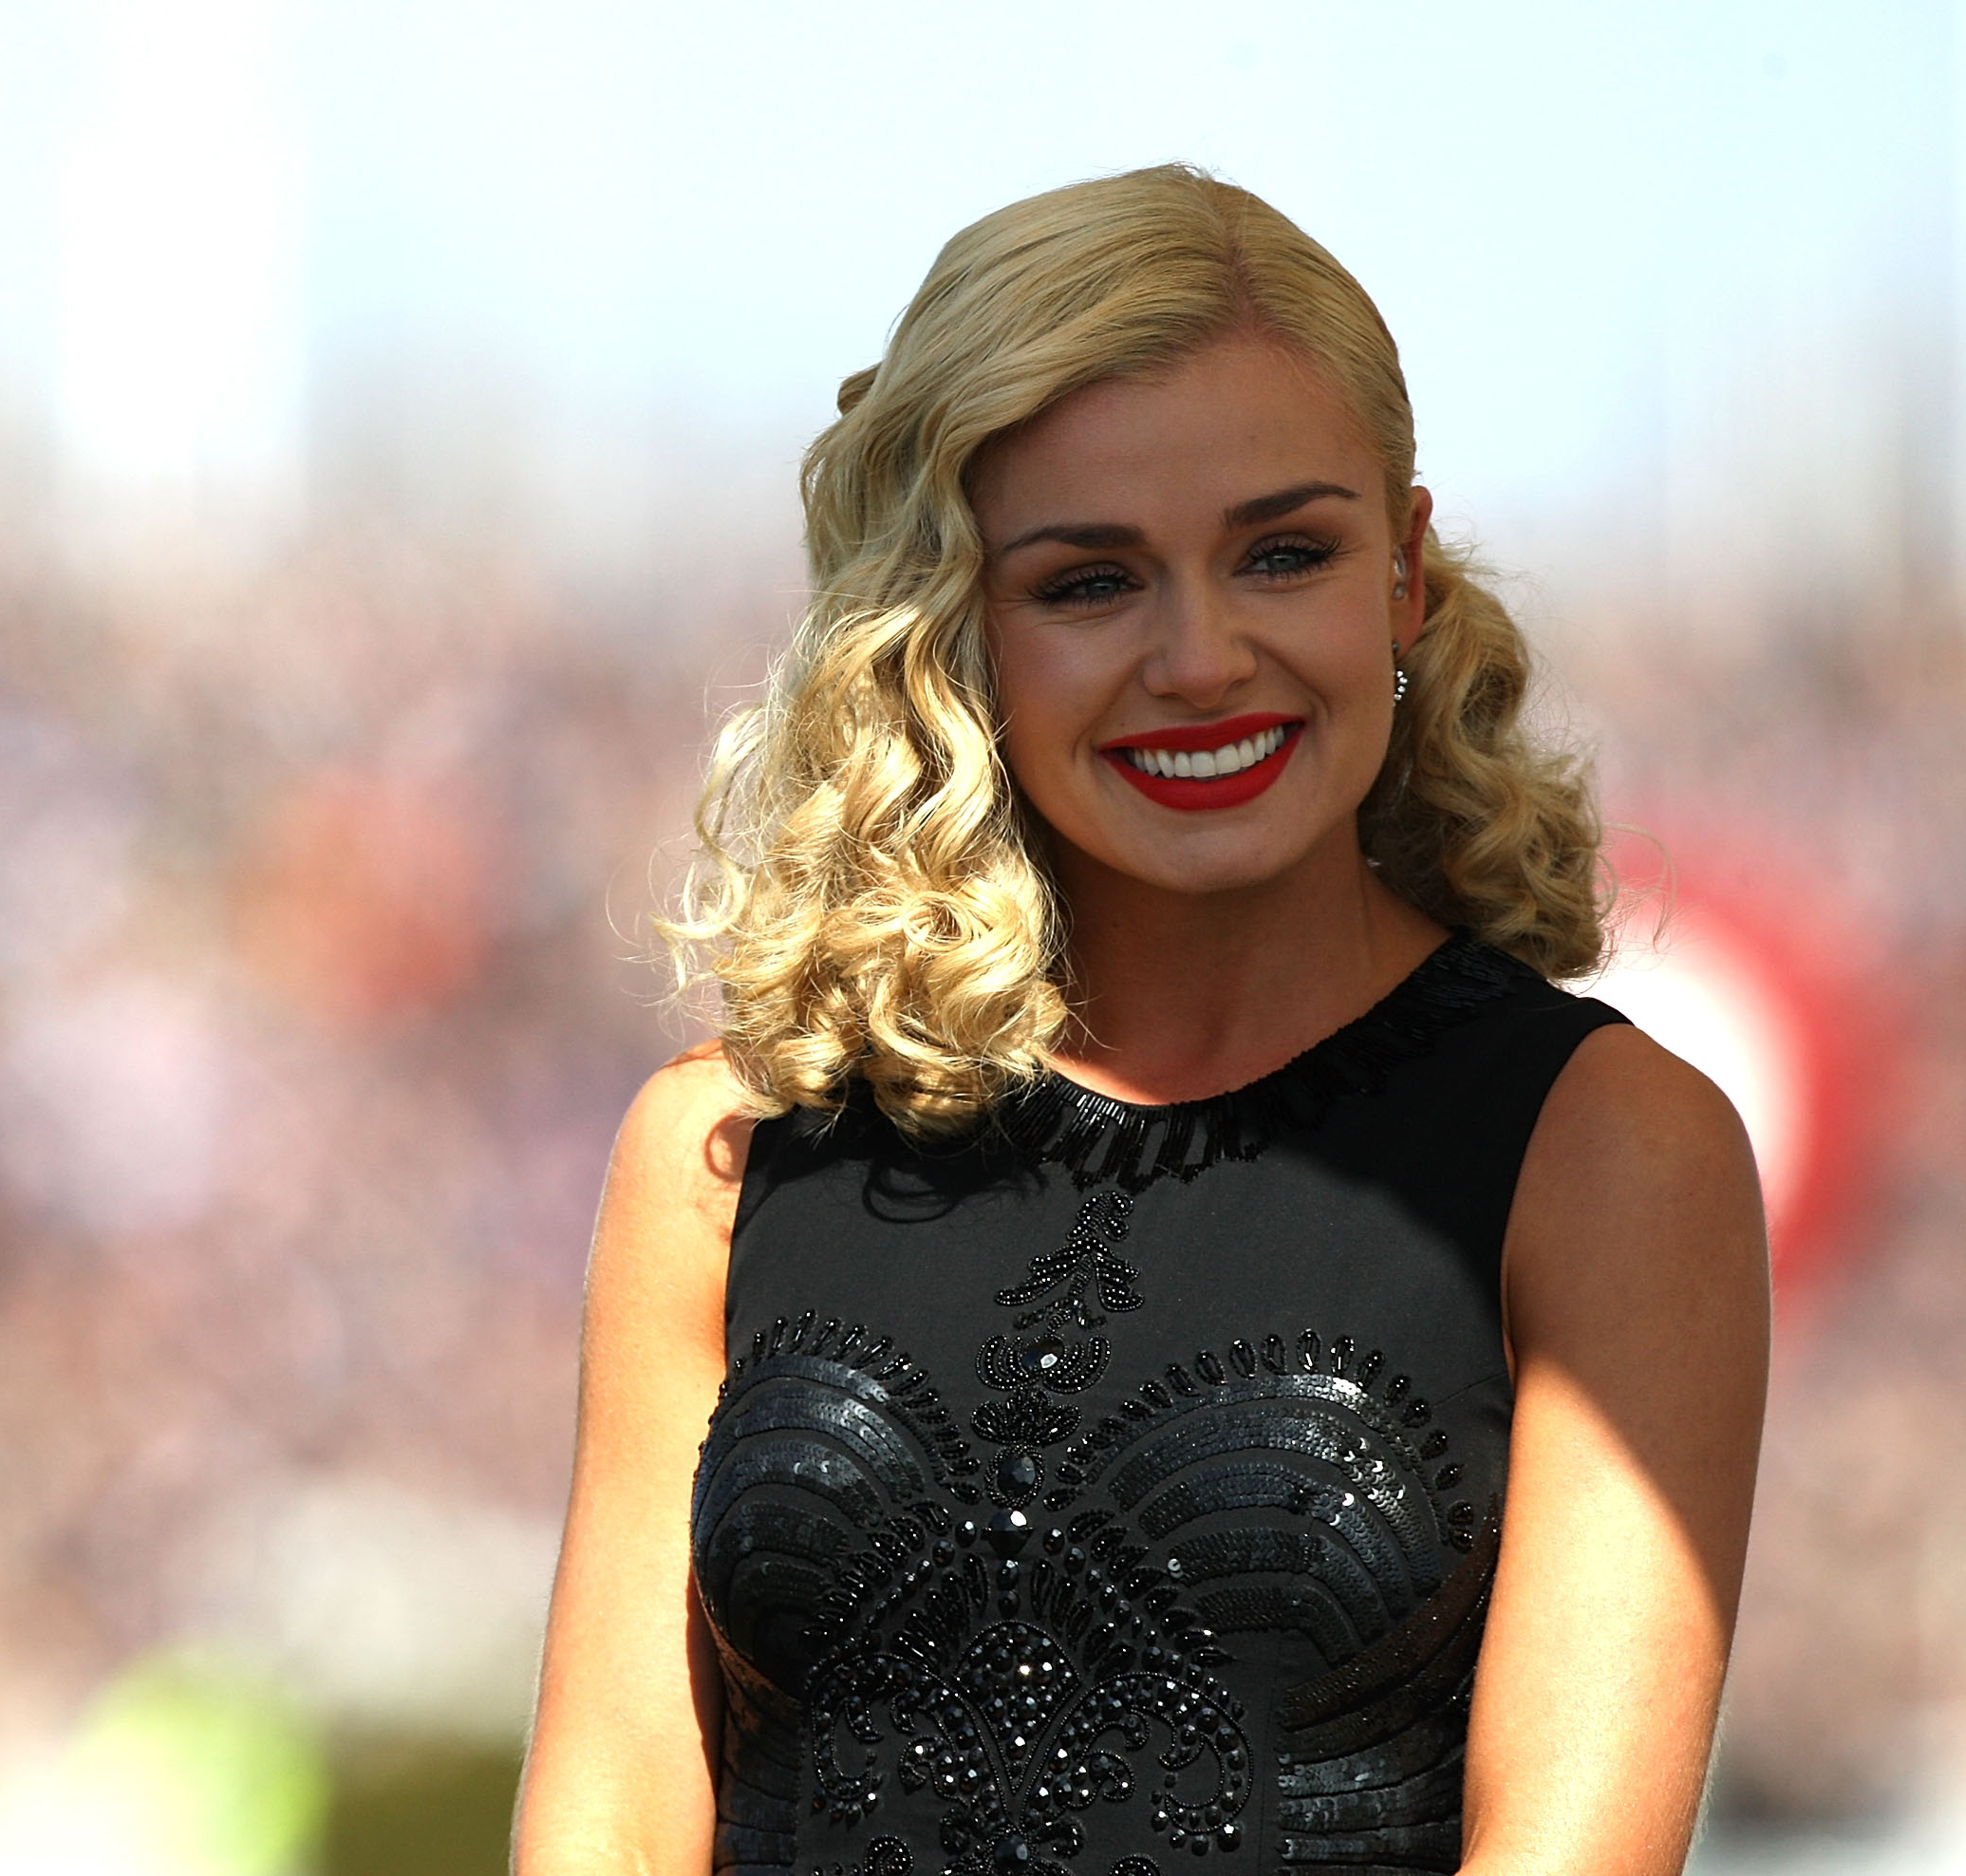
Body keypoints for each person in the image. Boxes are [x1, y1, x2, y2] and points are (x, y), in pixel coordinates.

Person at [513, 166, 1769, 1876]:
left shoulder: (1613, 1154)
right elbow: (606, 1824)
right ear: (951, 631)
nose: (1202, 658)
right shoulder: (722, 1157)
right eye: (1090, 581)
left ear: (1402, 576)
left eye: (1284, 553)